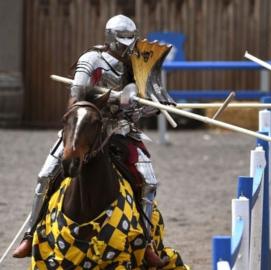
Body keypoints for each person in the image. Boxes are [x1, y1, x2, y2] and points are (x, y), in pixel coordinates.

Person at [12, 14, 174, 266]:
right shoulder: (91, 59)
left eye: (130, 39)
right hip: (86, 125)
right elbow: (77, 95)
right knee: (46, 174)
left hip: (120, 129)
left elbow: (149, 105)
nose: (126, 45)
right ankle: (30, 234)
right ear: (110, 37)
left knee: (149, 181)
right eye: (122, 39)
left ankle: (145, 243)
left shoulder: (139, 62)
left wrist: (150, 104)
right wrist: (116, 97)